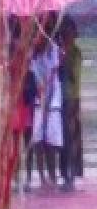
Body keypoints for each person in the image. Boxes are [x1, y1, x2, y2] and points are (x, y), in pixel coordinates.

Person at [30, 28, 64, 190]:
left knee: (50, 141)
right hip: (38, 98)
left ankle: (52, 175)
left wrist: (47, 96)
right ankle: (42, 177)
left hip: (52, 100)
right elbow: (34, 77)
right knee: (38, 140)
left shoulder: (53, 49)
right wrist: (40, 91)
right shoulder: (32, 54)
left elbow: (53, 74)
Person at [59, 16, 83, 192]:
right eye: (65, 32)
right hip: (60, 99)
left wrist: (65, 60)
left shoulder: (75, 52)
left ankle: (72, 174)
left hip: (72, 99)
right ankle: (65, 173)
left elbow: (74, 77)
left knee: (72, 137)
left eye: (70, 32)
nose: (67, 36)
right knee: (63, 139)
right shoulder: (59, 51)